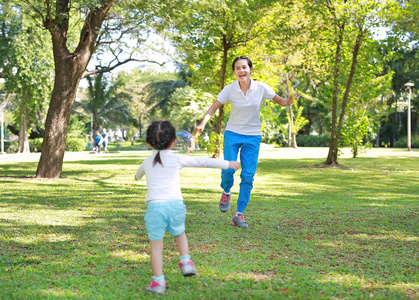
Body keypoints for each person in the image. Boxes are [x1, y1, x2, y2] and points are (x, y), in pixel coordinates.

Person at [135, 121, 240, 294]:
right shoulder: (178, 159)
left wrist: (137, 177)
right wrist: (228, 164)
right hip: (176, 206)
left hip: (155, 209)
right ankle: (185, 261)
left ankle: (158, 282)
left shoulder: (147, 162)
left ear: (148, 143)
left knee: (156, 246)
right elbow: (203, 162)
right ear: (174, 142)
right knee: (179, 233)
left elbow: (138, 174)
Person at [194, 56, 294, 228]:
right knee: (228, 169)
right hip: (233, 133)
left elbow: (281, 101)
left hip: (253, 136)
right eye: (237, 68)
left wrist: (288, 101)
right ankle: (226, 191)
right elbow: (213, 108)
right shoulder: (229, 89)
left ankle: (239, 214)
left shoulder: (261, 87)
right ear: (234, 72)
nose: (241, 71)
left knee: (248, 175)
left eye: (244, 67)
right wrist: (203, 123)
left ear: (250, 69)